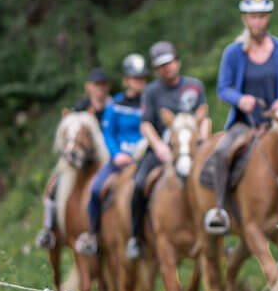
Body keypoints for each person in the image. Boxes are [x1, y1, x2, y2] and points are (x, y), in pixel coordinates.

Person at [205, 0, 278, 233]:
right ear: (245, 19)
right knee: (220, 153)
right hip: (245, 123)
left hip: (277, 122)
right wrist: (241, 99)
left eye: (262, 16)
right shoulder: (234, 52)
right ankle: (220, 209)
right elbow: (223, 88)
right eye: (253, 17)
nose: (258, 21)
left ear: (268, 19)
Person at [129, 41, 207, 259]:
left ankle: (218, 229)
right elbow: (146, 124)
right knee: (138, 183)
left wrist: (202, 141)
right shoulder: (151, 92)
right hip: (162, 149)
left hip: (191, 147)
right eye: (162, 65)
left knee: (214, 176)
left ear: (177, 62)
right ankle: (136, 236)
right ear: (156, 69)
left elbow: (204, 117)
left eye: (170, 62)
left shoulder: (194, 86)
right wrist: (159, 147)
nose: (167, 67)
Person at [76, 53, 149, 256]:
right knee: (96, 189)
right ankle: (93, 235)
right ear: (126, 80)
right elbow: (108, 132)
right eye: (135, 78)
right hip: (119, 159)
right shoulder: (115, 104)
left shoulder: (150, 102)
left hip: (144, 158)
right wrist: (116, 154)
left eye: (142, 78)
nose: (139, 82)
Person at [37, 68, 112, 250]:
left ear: (107, 87)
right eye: (96, 85)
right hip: (82, 156)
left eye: (102, 85)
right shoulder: (80, 108)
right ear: (89, 87)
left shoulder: (113, 107)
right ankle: (48, 228)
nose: (99, 89)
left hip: (106, 156)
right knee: (55, 185)